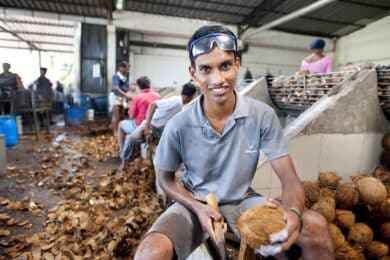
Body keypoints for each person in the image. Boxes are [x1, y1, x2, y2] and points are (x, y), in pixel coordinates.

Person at [135, 25, 334, 260]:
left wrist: (292, 213)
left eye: (225, 66)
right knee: (150, 253)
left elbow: (289, 179)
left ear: (237, 64)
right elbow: (165, 179)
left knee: (316, 227)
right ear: (193, 73)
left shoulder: (262, 115)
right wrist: (198, 208)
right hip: (195, 201)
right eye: (206, 69)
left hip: (244, 202)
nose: (217, 79)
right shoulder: (179, 124)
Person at [120, 82, 197, 165]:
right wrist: (147, 127)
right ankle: (124, 160)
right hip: (152, 126)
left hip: (160, 131)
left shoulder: (182, 106)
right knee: (132, 138)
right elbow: (152, 105)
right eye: (193, 96)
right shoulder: (175, 101)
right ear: (190, 96)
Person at [117, 76, 160, 155]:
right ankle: (134, 150)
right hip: (154, 125)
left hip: (140, 125)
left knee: (120, 125)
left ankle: (122, 152)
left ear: (138, 86)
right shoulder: (157, 95)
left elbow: (131, 116)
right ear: (149, 84)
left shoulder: (137, 97)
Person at [111, 61, 132, 136]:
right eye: (127, 68)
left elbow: (127, 86)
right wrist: (126, 95)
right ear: (122, 68)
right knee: (116, 114)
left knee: (121, 114)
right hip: (116, 96)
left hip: (123, 96)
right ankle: (115, 131)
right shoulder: (116, 76)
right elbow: (116, 88)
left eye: (129, 68)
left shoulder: (126, 75)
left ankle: (120, 130)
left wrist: (130, 91)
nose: (128, 70)